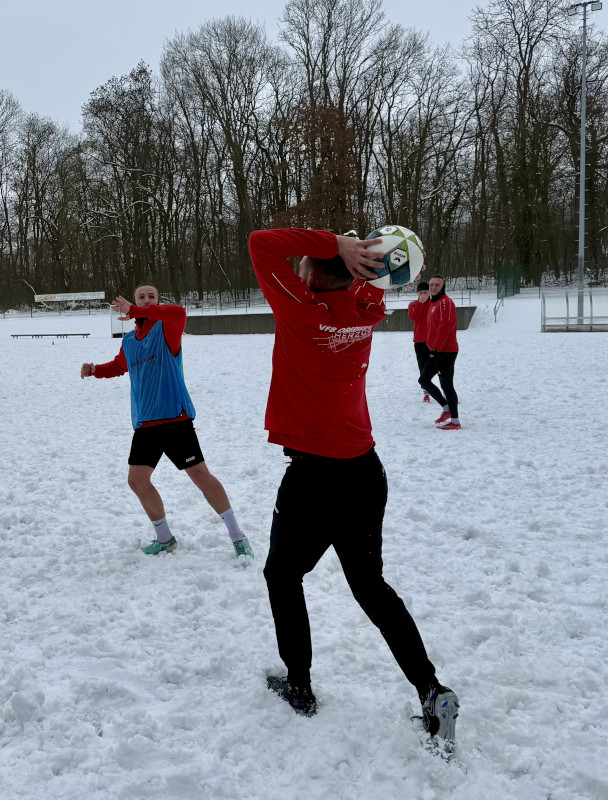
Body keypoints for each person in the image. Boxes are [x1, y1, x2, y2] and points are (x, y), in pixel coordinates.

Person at [248, 227, 459, 753]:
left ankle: (299, 685)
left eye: (308, 263)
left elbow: (260, 242)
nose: (298, 267)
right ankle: (431, 692)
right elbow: (367, 277)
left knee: (282, 573)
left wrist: (333, 244)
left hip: (315, 479)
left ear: (315, 272)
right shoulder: (366, 305)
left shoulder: (302, 309)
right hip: (365, 472)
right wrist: (355, 254)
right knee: (371, 588)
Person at [80, 284, 253, 561]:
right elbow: (119, 366)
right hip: (146, 424)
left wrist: (139, 310)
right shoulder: (129, 341)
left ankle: (238, 536)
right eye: (141, 297)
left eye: (152, 297)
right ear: (134, 300)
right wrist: (94, 371)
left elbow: (179, 312)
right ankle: (165, 538)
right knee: (137, 482)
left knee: (200, 477)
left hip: (175, 420)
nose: (147, 300)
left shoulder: (167, 328)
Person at [418, 275, 461, 430]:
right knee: (424, 380)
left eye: (437, 285)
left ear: (442, 287)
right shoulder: (433, 303)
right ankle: (446, 409)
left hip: (446, 351)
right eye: (431, 284)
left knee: (447, 385)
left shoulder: (445, 303)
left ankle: (455, 421)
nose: (433, 287)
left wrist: (435, 348)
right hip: (436, 350)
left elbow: (445, 326)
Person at [407, 280, 432, 402]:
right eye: (421, 292)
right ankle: (426, 392)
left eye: (425, 292)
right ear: (417, 293)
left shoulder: (434, 303)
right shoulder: (413, 304)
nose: (423, 295)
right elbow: (413, 317)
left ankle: (445, 392)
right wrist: (420, 304)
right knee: (422, 367)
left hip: (434, 341)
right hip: (420, 341)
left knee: (441, 367)